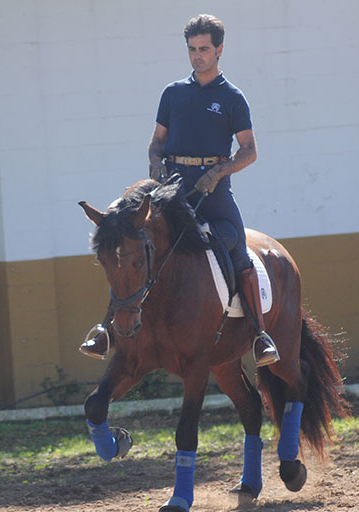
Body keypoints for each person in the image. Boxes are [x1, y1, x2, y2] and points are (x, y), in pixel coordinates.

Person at [80, 14, 279, 367]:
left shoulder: (233, 98)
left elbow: (250, 151)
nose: (197, 55)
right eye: (192, 49)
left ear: (219, 50)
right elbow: (156, 142)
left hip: (213, 192)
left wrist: (219, 171)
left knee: (237, 252)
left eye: (204, 49)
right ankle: (106, 330)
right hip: (170, 191)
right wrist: (155, 162)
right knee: (128, 247)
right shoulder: (173, 93)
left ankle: (260, 335)